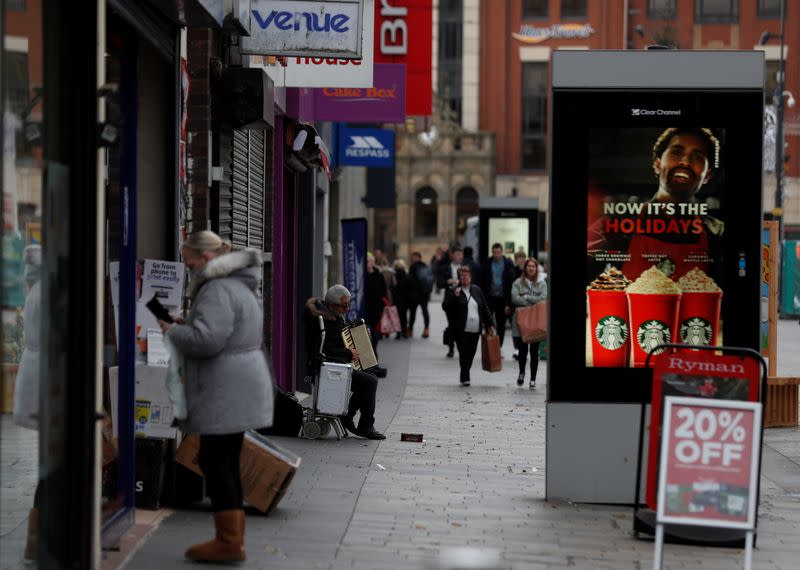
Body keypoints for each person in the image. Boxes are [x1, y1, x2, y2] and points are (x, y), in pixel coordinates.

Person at [158, 231, 274, 563]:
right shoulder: (239, 285)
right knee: (224, 460)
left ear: (205, 258)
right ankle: (230, 538)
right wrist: (189, 323)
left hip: (225, 387)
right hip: (239, 384)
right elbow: (220, 331)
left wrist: (174, 330)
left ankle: (229, 542)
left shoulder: (217, 288)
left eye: (188, 259)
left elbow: (207, 342)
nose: (187, 266)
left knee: (215, 461)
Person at [588, 127, 723, 282]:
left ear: (707, 175)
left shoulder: (718, 234)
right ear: (657, 164)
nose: (685, 162)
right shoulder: (615, 224)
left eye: (698, 156)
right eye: (677, 152)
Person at [303, 285, 386, 440]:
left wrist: (360, 333)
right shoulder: (321, 321)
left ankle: (349, 416)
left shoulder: (334, 316)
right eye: (344, 305)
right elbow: (324, 350)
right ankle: (365, 426)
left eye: (348, 305)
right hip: (328, 368)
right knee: (370, 381)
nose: (347, 309)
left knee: (369, 375)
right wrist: (348, 353)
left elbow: (341, 335)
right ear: (331, 304)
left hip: (338, 364)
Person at [13, 245, 42, 561]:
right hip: (45, 384)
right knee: (53, 465)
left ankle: (36, 539)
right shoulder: (48, 292)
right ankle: (36, 539)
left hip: (35, 380)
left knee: (51, 464)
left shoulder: (36, 291)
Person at [442, 265, 495, 386]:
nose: (465, 278)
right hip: (460, 329)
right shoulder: (454, 290)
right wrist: (454, 297)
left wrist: (490, 324)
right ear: (459, 278)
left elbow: (485, 308)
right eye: (462, 276)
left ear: (471, 277)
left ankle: (465, 371)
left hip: (475, 329)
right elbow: (445, 306)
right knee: (463, 352)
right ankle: (465, 376)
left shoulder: (477, 290)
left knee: (471, 353)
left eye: (467, 275)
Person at [511, 258, 548, 389]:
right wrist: (533, 303)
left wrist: (526, 297)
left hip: (536, 321)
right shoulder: (517, 283)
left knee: (534, 351)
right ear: (525, 268)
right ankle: (521, 372)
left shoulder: (542, 283)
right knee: (522, 350)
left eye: (533, 266)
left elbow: (543, 298)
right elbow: (514, 298)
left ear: (536, 268)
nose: (531, 268)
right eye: (529, 266)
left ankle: (532, 379)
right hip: (521, 322)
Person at [481, 243, 516, 351]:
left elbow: (511, 283)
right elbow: (483, 282)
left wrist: (507, 303)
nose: (497, 255)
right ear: (492, 252)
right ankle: (489, 346)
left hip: (502, 298)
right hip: (490, 297)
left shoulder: (508, 263)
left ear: (502, 252)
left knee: (501, 325)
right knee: (488, 322)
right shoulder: (487, 263)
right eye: (495, 252)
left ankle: (498, 348)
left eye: (499, 252)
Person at [364, 252, 388, 377]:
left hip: (376, 310)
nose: (369, 263)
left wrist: (382, 307)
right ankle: (370, 362)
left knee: (375, 336)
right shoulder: (362, 275)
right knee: (368, 336)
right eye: (367, 261)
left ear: (373, 262)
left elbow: (383, 292)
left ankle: (373, 361)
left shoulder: (379, 275)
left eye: (370, 261)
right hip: (366, 310)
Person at [442, 246, 464, 358]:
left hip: (461, 300)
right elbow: (439, 283)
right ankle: (451, 348)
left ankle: (460, 346)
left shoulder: (465, 268)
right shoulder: (446, 268)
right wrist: (447, 281)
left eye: (461, 255)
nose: (459, 257)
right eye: (457, 254)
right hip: (450, 300)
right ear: (453, 256)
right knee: (451, 324)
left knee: (460, 325)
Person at [408, 252, 434, 338]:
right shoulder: (426, 266)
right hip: (424, 294)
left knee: (413, 313)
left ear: (417, 257)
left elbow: (410, 281)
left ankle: (410, 330)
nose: (413, 259)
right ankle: (426, 330)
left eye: (414, 257)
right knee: (425, 312)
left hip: (415, 294)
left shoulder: (413, 267)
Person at [392, 259, 411, 339]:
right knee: (404, 316)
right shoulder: (407, 275)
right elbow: (410, 288)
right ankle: (405, 332)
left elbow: (392, 287)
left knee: (397, 316)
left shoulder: (394, 275)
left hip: (396, 299)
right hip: (405, 299)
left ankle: (398, 333)